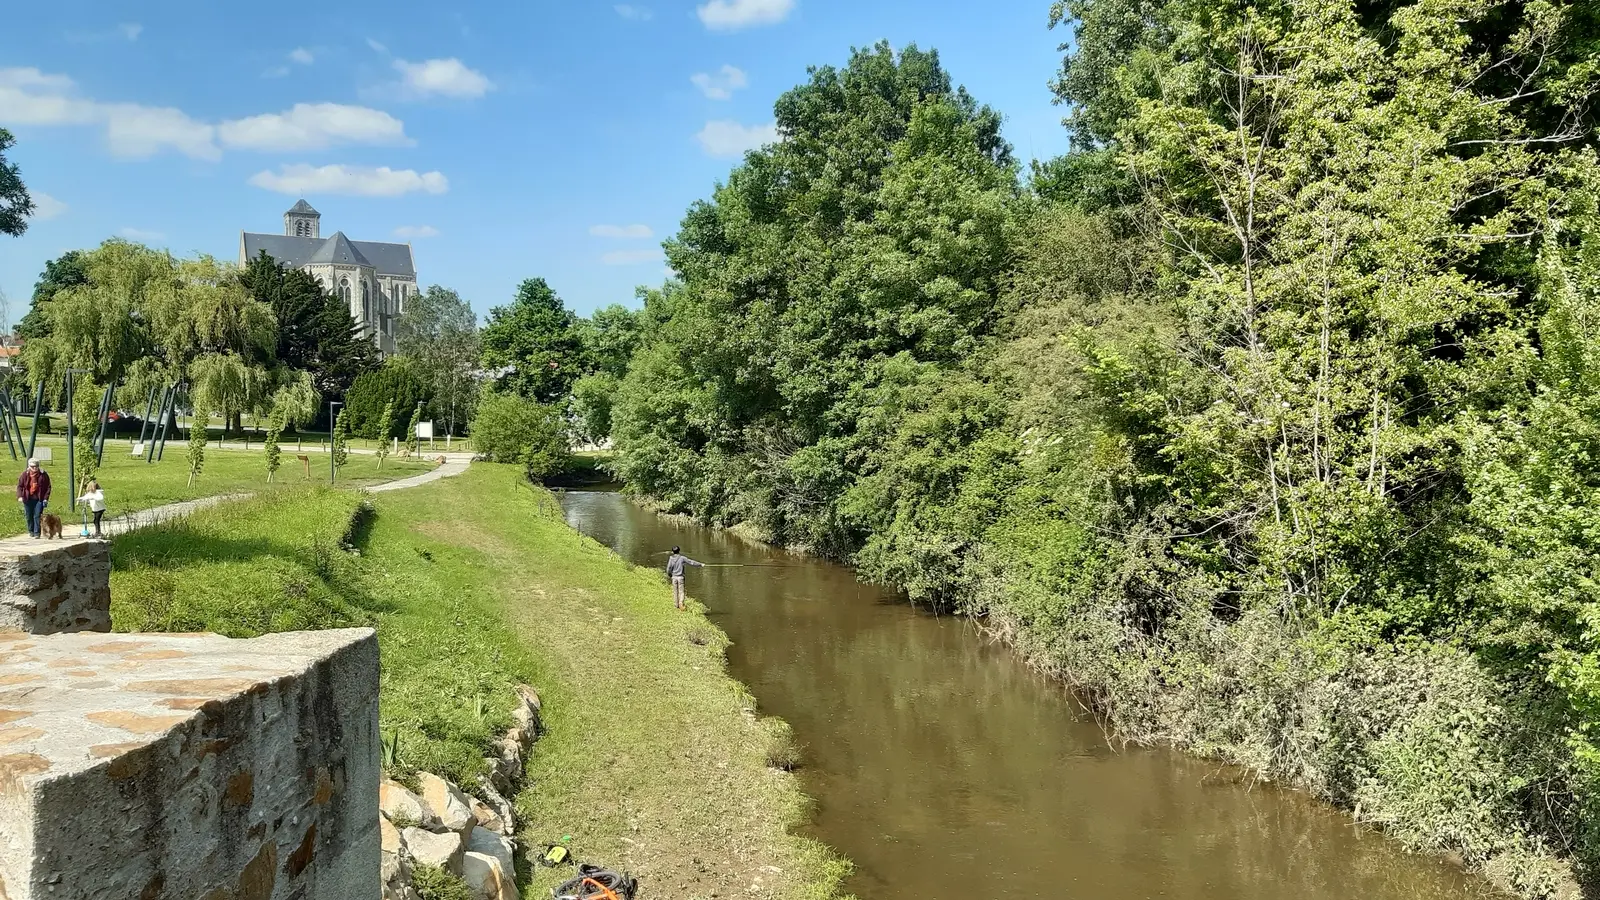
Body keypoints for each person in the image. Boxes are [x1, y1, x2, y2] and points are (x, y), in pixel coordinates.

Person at [15, 457, 50, 539]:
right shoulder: (25, 474)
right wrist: (20, 496)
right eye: (33, 466)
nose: (35, 468)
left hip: (39, 499)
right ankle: (31, 531)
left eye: (36, 466)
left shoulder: (43, 474)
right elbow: (20, 486)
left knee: (37, 515)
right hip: (27, 498)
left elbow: (48, 487)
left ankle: (37, 532)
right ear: (29, 466)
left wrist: (45, 498)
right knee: (29, 515)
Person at [665, 545, 703, 611]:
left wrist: (670, 575)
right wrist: (700, 564)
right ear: (679, 551)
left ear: (673, 551)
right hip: (680, 577)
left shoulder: (671, 558)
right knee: (681, 591)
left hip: (674, 577)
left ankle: (676, 605)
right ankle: (681, 603)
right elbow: (691, 562)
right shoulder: (682, 558)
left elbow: (668, 569)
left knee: (675, 591)